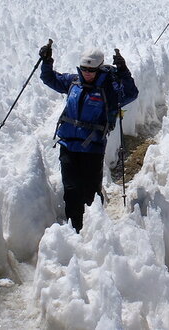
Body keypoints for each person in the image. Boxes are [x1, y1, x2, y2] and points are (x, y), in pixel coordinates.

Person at [38, 42, 139, 232]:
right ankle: (74, 230)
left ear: (99, 68)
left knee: (90, 192)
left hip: (93, 149)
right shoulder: (73, 82)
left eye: (91, 70)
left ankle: (95, 231)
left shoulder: (109, 89)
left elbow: (131, 93)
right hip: (68, 146)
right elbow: (49, 78)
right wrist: (46, 61)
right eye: (84, 69)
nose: (87, 73)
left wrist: (124, 71)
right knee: (71, 190)